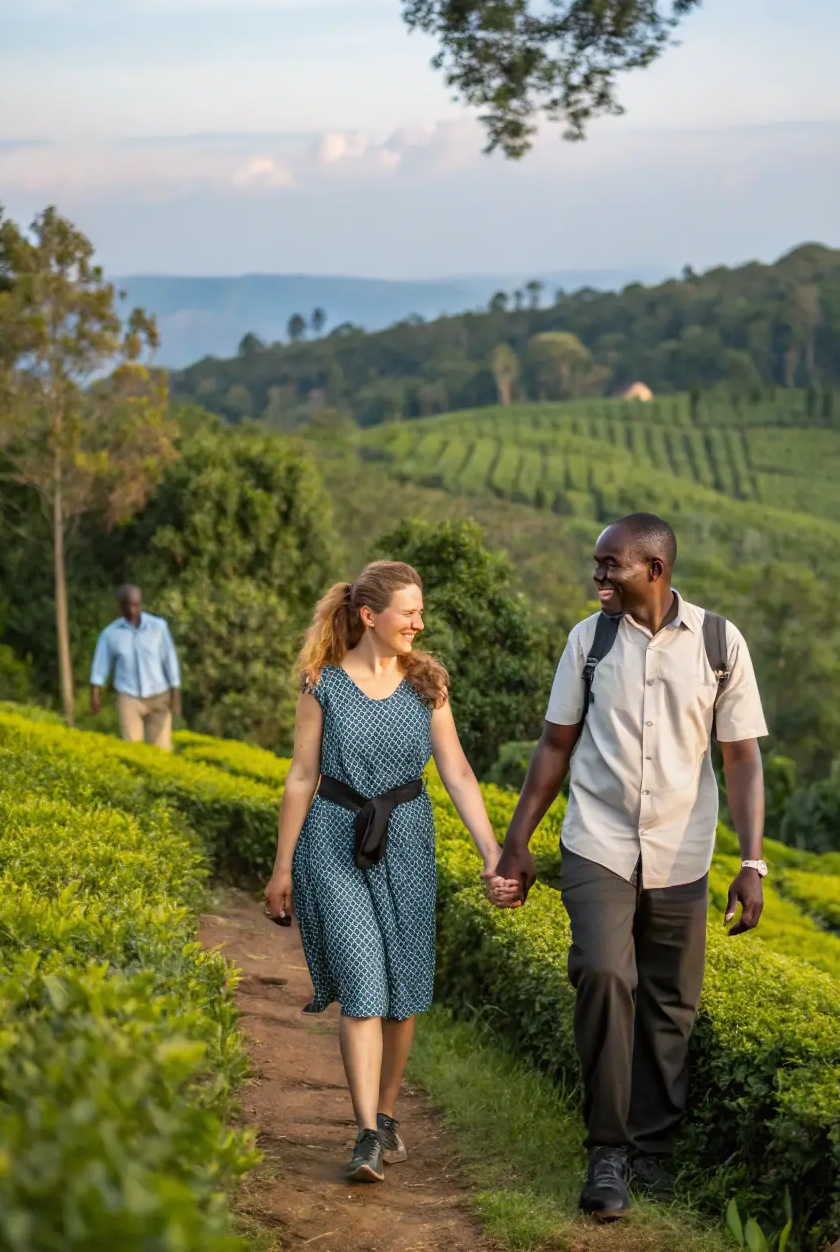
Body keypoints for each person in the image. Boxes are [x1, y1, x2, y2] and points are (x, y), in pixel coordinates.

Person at [495, 513, 768, 1221]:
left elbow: (741, 756)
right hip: (599, 840)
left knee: (671, 1003)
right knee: (604, 971)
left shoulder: (718, 642)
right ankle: (608, 1149)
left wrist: (752, 860)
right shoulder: (589, 640)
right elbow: (555, 745)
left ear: (654, 568)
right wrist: (518, 840)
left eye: (610, 564)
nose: (598, 576)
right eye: (597, 563)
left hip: (682, 847)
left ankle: (653, 1151)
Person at [263, 560, 517, 1184]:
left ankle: (387, 1110)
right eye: (409, 612)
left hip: (404, 836)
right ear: (371, 616)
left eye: (420, 612)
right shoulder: (321, 684)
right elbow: (301, 777)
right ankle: (367, 1135)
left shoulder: (427, 683)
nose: (418, 622)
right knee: (363, 984)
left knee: (403, 992)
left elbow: (456, 771)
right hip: (333, 835)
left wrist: (492, 853)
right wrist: (281, 867)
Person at [89, 584, 182, 750]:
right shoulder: (111, 633)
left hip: (159, 694)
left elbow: (169, 659)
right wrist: (95, 693)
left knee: (161, 749)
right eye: (127, 605)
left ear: (141, 604)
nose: (132, 610)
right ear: (120, 606)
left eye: (136, 605)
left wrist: (175, 693)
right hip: (129, 696)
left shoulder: (158, 627)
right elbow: (100, 665)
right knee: (132, 747)